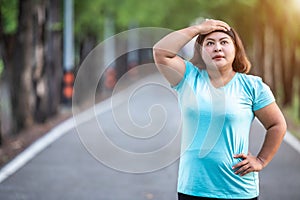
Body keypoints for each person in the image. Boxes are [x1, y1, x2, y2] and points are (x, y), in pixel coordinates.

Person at [153, 19, 287, 200]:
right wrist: (199, 28)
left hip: (239, 189)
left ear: (236, 49)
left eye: (224, 42)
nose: (217, 48)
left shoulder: (253, 86)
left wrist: (261, 160)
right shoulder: (188, 77)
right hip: (194, 188)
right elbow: (160, 53)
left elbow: (277, 124)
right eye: (209, 43)